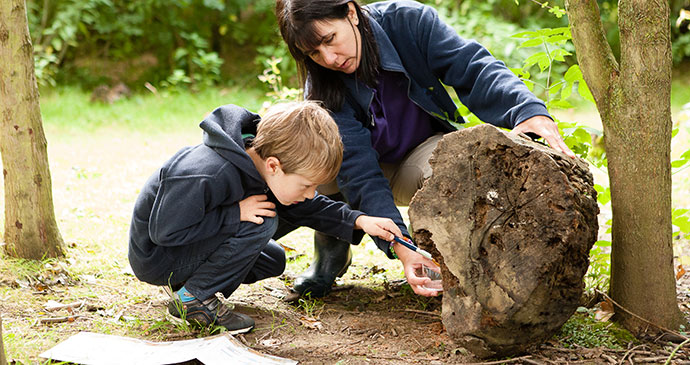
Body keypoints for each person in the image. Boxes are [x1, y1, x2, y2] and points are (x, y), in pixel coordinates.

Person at [274, 0, 576, 298]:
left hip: (417, 154)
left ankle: (444, 256)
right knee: (316, 161)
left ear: (350, 13)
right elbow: (359, 173)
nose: (329, 58)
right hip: (354, 168)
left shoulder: (409, 21)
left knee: (454, 169)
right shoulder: (322, 86)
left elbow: (472, 66)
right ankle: (331, 252)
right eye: (313, 52)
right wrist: (400, 245)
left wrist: (526, 110)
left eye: (330, 39)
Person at [128, 101, 403, 334]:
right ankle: (192, 300)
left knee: (273, 259)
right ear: (274, 165)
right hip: (158, 257)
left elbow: (309, 208)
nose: (311, 193)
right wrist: (235, 214)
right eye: (306, 185)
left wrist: (360, 220)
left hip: (183, 245)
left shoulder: (261, 166)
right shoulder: (206, 172)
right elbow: (165, 232)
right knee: (262, 220)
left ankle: (186, 285)